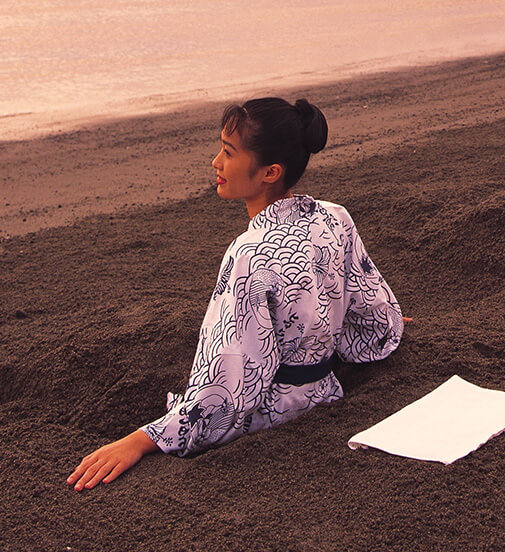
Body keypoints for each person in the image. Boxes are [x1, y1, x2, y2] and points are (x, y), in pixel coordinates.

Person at [67, 97, 403, 491]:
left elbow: (228, 386)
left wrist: (142, 440)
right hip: (328, 390)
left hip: (277, 414)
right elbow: (373, 310)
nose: (216, 162)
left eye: (228, 152)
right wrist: (367, 323)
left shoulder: (249, 254)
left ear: (270, 172)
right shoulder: (333, 216)